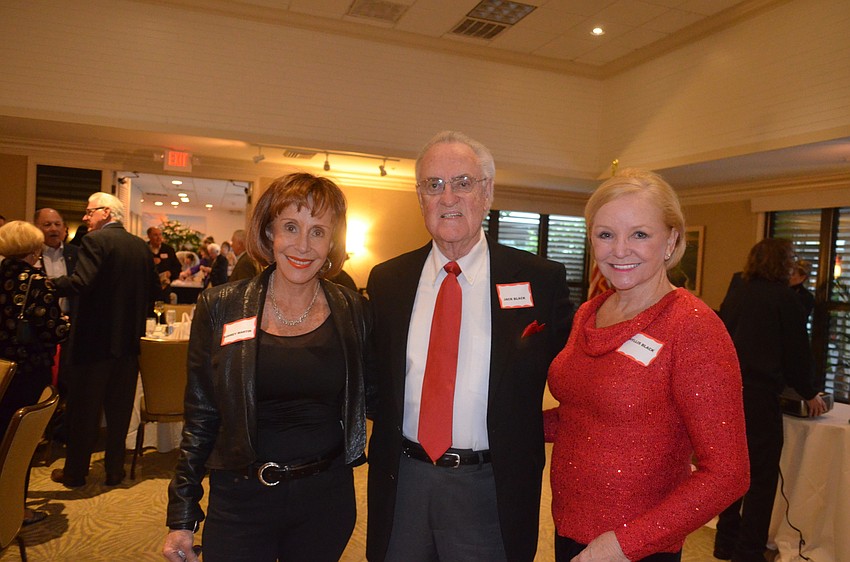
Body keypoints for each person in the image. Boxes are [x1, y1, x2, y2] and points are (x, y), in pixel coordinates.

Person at [366, 131, 573, 561]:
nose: (447, 198)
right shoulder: (388, 281)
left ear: (487, 192)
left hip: (491, 486)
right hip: (404, 481)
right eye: (433, 185)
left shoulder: (538, 280)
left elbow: (580, 372)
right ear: (419, 196)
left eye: (462, 182)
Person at [162, 173, 371, 562]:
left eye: (318, 232)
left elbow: (376, 395)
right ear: (270, 231)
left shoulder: (352, 310)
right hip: (242, 498)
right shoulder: (221, 306)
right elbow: (202, 415)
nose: (303, 246)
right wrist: (183, 514)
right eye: (291, 227)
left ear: (332, 243)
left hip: (325, 501)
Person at [544, 168, 750, 562]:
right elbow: (584, 416)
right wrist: (497, 423)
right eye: (606, 234)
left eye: (639, 234)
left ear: (671, 239)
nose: (620, 249)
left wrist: (622, 545)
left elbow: (729, 473)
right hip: (569, 525)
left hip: (635, 547)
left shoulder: (693, 327)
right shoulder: (590, 312)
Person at [714, 239, 826, 562]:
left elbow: (722, 332)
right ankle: (748, 551)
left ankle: (725, 542)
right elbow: (797, 357)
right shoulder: (784, 299)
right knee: (760, 479)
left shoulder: (739, 288)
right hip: (760, 398)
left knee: (731, 472)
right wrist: (809, 392)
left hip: (727, 394)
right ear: (784, 264)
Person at [49, 192, 159, 488]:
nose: (85, 218)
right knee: (119, 410)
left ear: (107, 213)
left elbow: (80, 282)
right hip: (128, 343)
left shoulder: (94, 241)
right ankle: (114, 471)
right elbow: (154, 293)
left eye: (89, 212)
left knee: (84, 411)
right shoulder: (140, 247)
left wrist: (48, 283)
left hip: (93, 342)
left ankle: (75, 473)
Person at [0, 220, 69, 525]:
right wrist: (65, 323)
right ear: (34, 248)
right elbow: (53, 332)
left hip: (1, 369)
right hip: (27, 371)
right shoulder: (38, 282)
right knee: (18, 443)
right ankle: (15, 509)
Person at [147, 226, 182, 299]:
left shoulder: (168, 250)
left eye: (160, 234)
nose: (159, 237)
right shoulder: (144, 248)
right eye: (155, 235)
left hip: (164, 288)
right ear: (149, 236)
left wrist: (170, 273)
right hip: (147, 287)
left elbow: (177, 266)